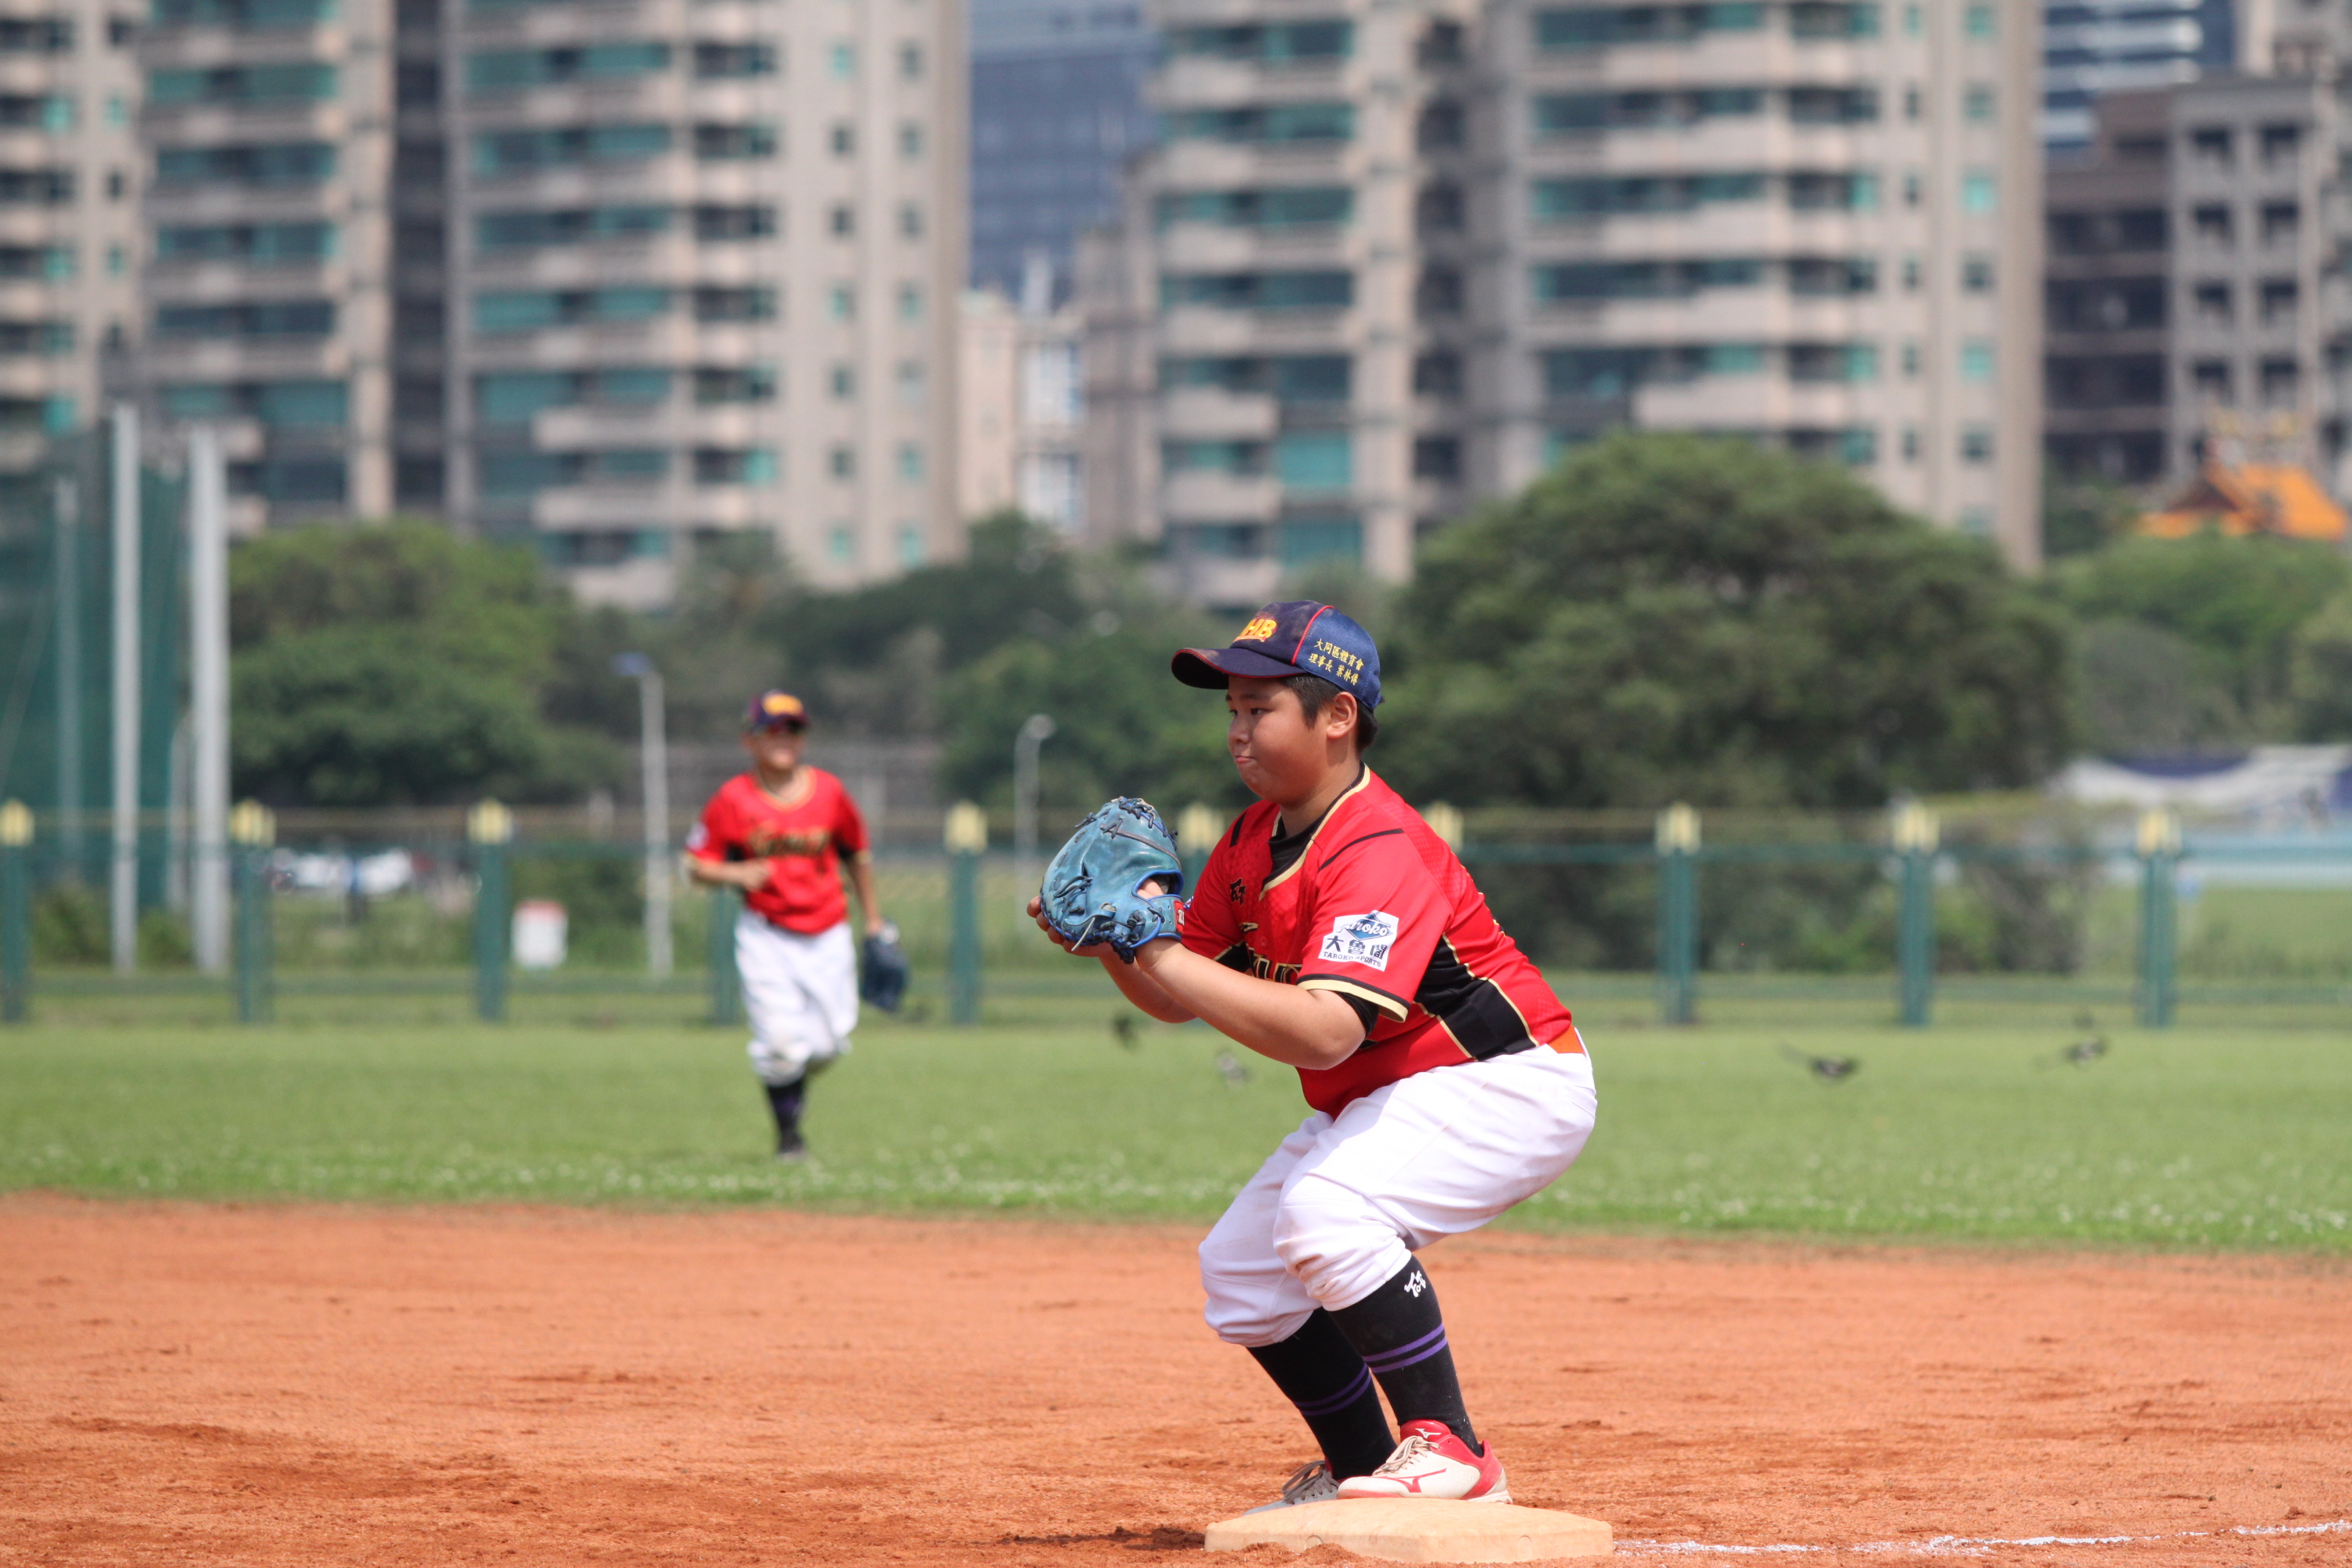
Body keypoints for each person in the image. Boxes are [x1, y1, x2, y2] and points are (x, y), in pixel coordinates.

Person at [1031, 602, 1598, 1509]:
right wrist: (1115, 945)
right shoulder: (1249, 842)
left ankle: (1454, 1450)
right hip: (1401, 1091)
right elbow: (1178, 999)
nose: (1237, 731)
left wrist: (1155, 948)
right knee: (1243, 1272)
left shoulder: (1377, 845)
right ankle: (1363, 1466)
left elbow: (1330, 1029)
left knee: (1328, 1213)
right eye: (1232, 710)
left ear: (1337, 716)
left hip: (1509, 1080)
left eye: (1260, 708)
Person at [685, 690, 887, 1160]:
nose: (784, 738)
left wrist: (875, 923)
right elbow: (695, 865)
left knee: (828, 1045)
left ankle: (789, 1083)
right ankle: (790, 1140)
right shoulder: (733, 798)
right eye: (771, 730)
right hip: (767, 934)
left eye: (792, 729)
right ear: (749, 740)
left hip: (829, 931)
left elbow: (857, 855)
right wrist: (735, 873)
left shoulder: (829, 792)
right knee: (779, 1045)